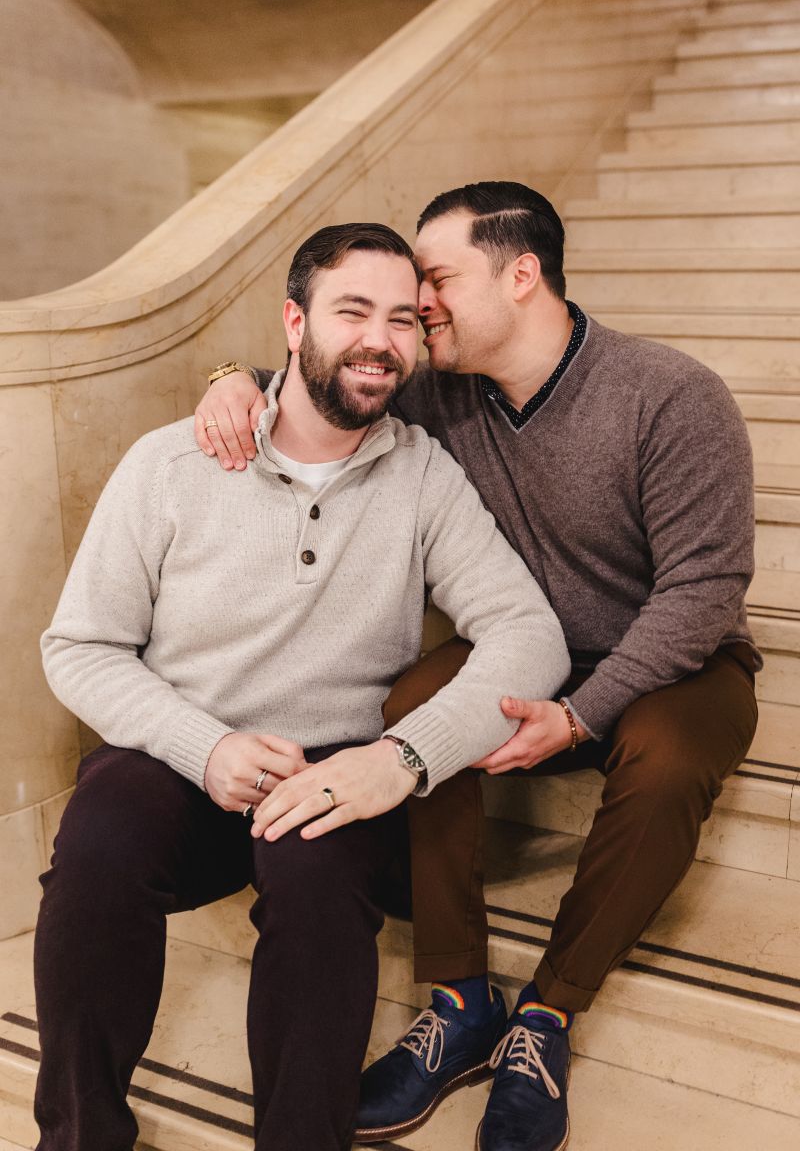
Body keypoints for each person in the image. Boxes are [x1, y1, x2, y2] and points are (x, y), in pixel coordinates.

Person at [196, 182, 760, 1151]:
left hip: (678, 661)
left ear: (522, 274)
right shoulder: (443, 387)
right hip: (527, 647)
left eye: (438, 279)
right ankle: (459, 1001)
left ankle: (547, 1014)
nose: (419, 305)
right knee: (416, 703)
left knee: (667, 760)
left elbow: (703, 593)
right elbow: (320, 373)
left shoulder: (668, 394)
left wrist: (579, 715)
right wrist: (228, 380)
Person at [36, 221, 570, 1151]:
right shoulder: (170, 464)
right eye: (352, 311)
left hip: (335, 772)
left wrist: (400, 759)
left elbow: (529, 634)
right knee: (97, 850)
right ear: (294, 322)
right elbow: (80, 646)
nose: (380, 341)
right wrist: (204, 747)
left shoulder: (425, 475)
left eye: (402, 320)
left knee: (320, 885)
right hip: (180, 751)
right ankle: (79, 1138)